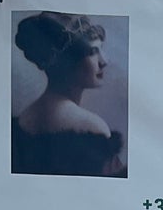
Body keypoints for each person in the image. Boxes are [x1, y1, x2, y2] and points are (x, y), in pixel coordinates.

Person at [12, 12, 126, 178]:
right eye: (93, 51)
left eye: (101, 50)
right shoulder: (92, 127)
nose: (104, 61)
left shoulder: (25, 117)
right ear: (67, 60)